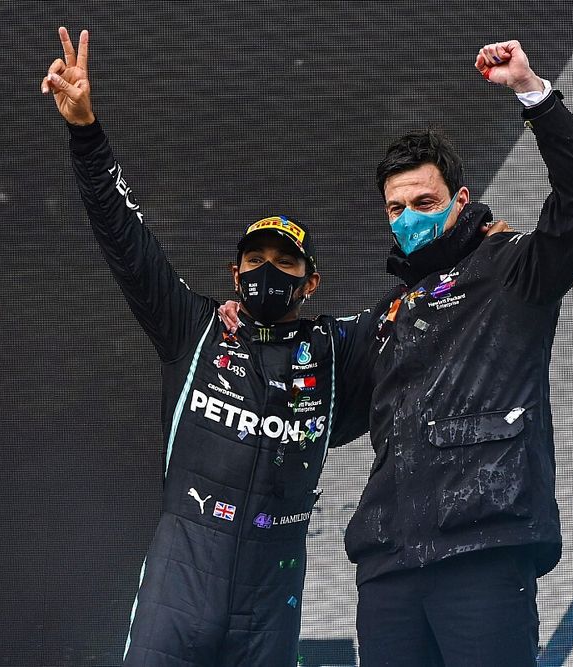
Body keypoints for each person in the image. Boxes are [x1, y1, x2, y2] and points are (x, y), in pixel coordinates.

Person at [41, 27, 379, 667]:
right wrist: (86, 132)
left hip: (270, 599)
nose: (269, 270)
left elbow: (419, 312)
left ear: (312, 281)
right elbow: (125, 240)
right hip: (179, 588)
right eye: (256, 258)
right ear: (234, 272)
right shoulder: (193, 327)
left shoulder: (335, 352)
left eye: (286, 262)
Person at [340, 41, 573, 665]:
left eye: (425, 202)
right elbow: (320, 405)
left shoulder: (512, 267)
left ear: (462, 201)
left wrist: (534, 95)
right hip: (388, 565)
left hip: (482, 552)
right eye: (396, 208)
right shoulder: (386, 312)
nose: (408, 218)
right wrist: (245, 326)